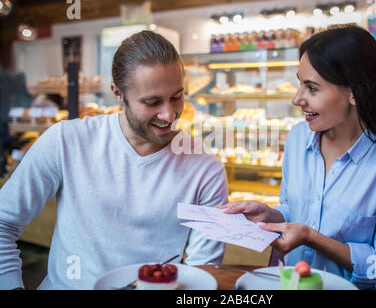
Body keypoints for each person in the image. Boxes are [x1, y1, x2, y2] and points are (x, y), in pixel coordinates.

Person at [0, 31, 228, 289]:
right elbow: (3, 221)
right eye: (152, 102)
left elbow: (203, 271)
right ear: (117, 93)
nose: (169, 113)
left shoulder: (206, 168)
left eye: (176, 96)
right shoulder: (66, 140)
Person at [221, 25, 376, 290]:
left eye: (312, 88)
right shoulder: (298, 138)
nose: (297, 99)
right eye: (300, 83)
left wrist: (311, 238)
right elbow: (295, 210)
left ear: (355, 91)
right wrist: (271, 214)